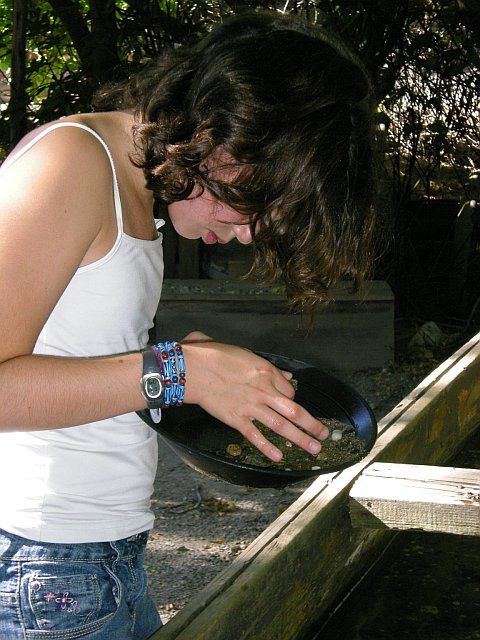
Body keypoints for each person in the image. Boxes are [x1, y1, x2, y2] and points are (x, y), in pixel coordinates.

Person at [0, 10, 376, 640]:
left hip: (98, 557)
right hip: (44, 566)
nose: (252, 230)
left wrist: (172, 362)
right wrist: (177, 373)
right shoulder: (73, 162)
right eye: (257, 200)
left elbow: (67, 350)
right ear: (224, 131)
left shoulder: (133, 193)